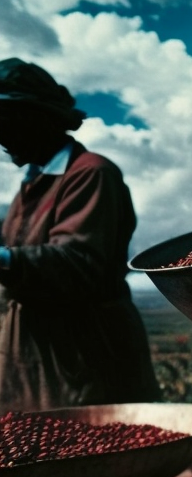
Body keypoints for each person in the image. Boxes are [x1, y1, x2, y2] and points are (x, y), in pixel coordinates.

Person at [0, 58, 158, 411]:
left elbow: (78, 263)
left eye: (5, 121)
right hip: (36, 357)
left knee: (96, 453)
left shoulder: (91, 174)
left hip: (84, 355)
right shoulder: (31, 184)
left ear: (37, 117)